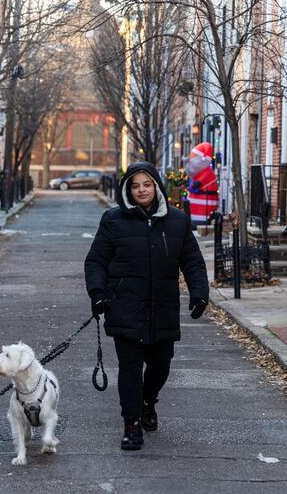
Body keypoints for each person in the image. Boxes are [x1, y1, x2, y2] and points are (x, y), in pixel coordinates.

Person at [84, 161, 209, 451]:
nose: (141, 190)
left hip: (163, 307)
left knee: (160, 366)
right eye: (135, 185)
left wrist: (199, 293)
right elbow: (96, 260)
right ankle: (132, 425)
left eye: (147, 184)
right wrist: (98, 293)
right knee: (130, 368)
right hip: (125, 306)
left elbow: (191, 260)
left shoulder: (177, 220)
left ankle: (148, 402)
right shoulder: (113, 220)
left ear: (156, 186)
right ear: (128, 189)